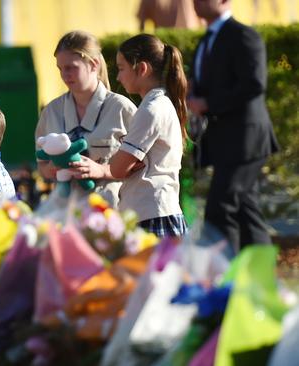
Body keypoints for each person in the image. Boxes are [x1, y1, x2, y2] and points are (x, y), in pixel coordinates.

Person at [72, 34, 188, 238]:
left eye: (122, 68)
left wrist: (100, 167)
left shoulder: (151, 109)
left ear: (142, 69)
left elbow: (118, 168)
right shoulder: (158, 104)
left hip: (153, 216)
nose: (118, 77)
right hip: (155, 212)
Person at [188, 0, 278, 250]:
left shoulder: (243, 35)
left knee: (221, 210)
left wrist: (207, 102)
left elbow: (254, 83)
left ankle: (225, 280)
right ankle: (260, 279)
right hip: (225, 142)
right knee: (244, 211)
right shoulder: (206, 40)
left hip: (246, 140)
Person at [35, 31, 137, 208]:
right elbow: (41, 166)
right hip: (64, 213)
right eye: (60, 69)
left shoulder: (122, 109)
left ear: (94, 64)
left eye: (71, 67)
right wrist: (53, 168)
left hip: (110, 215)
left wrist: (102, 170)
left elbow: (142, 166)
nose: (64, 75)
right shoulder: (51, 112)